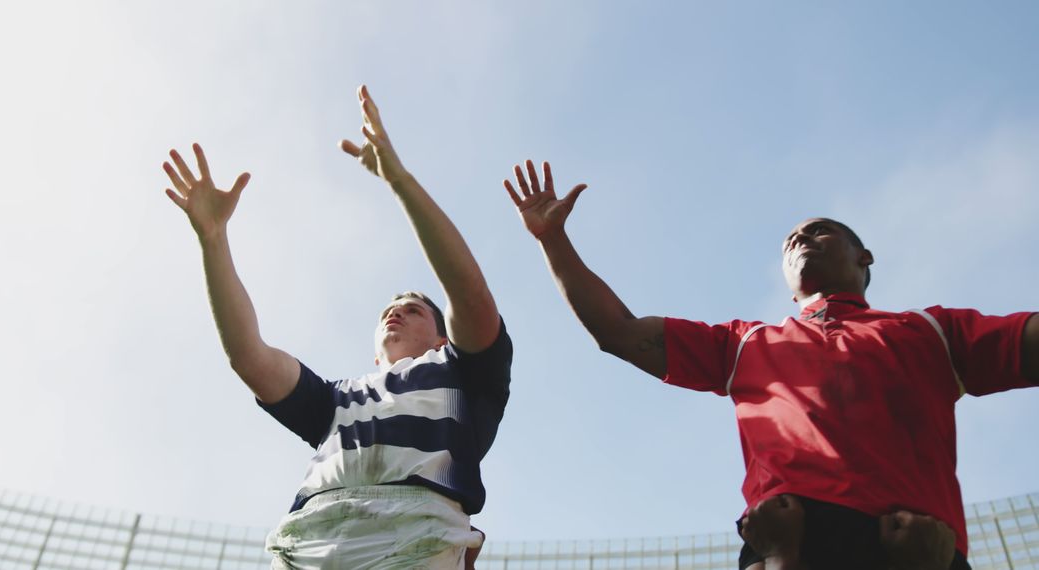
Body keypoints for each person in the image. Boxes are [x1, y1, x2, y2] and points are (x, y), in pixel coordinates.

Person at [502, 159, 1037, 570]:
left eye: (819, 230)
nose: (801, 239)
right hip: (791, 538)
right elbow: (619, 333)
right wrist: (553, 240)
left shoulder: (930, 332)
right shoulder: (744, 344)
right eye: (789, 241)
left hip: (910, 540)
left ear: (864, 257)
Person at [163, 85, 511, 569]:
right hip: (311, 543)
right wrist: (213, 239)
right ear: (372, 351)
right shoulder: (336, 400)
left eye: (414, 308)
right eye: (389, 309)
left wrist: (400, 181)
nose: (397, 311)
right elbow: (249, 357)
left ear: (441, 336)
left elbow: (470, 296)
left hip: (415, 538)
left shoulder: (462, 375)